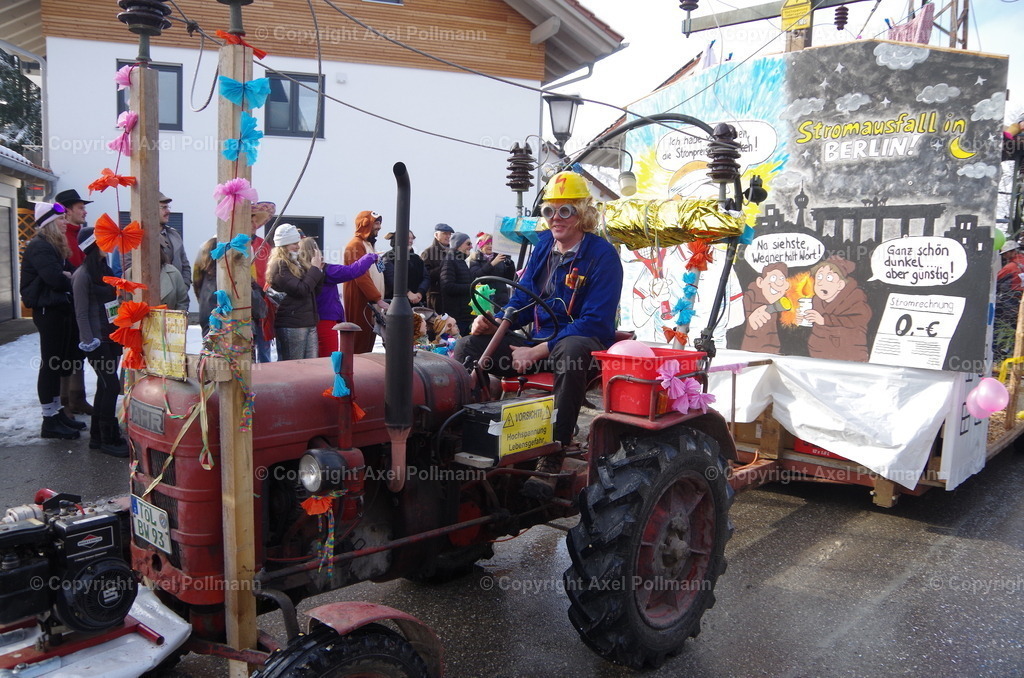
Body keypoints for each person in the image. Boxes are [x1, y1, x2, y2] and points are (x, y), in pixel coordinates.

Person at [453, 172, 623, 499]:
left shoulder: (603, 257)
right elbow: (524, 294)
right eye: (549, 211)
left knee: (571, 349)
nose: (555, 220)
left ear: (583, 213)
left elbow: (596, 322)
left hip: (582, 347)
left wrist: (538, 351)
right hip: (537, 341)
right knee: (468, 346)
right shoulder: (545, 245)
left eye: (565, 211)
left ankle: (553, 455)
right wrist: (497, 321)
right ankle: (462, 433)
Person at [19, 202, 87, 440]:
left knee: (59, 363)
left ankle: (57, 413)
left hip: (59, 308)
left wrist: (68, 277)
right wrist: (66, 278)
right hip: (48, 310)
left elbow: (71, 274)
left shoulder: (54, 246)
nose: (64, 222)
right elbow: (56, 279)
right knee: (50, 364)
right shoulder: (40, 247)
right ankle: (49, 420)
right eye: (60, 219)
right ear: (49, 223)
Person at [71, 226, 128, 457]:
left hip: (111, 335)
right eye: (105, 241)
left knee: (105, 386)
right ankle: (108, 437)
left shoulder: (104, 269)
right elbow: (81, 313)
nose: (110, 244)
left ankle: (96, 437)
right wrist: (89, 341)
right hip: (95, 340)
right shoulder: (82, 275)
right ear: (94, 245)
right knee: (112, 385)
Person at [298, 236, 378, 356]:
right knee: (329, 358)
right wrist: (371, 256)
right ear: (316, 251)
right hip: (325, 320)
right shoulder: (327, 271)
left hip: (305, 320)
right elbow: (352, 271)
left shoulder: (298, 272)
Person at [55, 188, 93, 416]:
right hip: (66, 303)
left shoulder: (82, 233)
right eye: (80, 207)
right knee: (65, 351)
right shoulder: (60, 237)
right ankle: (64, 399)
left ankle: (77, 397)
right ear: (67, 211)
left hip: (82, 300)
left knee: (78, 350)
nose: (84, 211)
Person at [267, 224, 324, 360]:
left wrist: (319, 270)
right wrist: (314, 270)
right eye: (294, 243)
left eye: (297, 242)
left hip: (307, 321)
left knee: (310, 367)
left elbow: (313, 291)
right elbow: (301, 290)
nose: (298, 246)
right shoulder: (280, 265)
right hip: (292, 325)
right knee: (295, 367)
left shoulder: (298, 262)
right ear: (284, 244)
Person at [800, 256, 872, 362]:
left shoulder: (854, 298)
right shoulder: (816, 300)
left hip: (847, 356)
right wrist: (804, 319)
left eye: (828, 278)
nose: (820, 282)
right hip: (818, 354)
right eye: (819, 277)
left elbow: (859, 319)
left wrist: (824, 320)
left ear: (840, 284)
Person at [123, 192, 191, 294]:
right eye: (163, 207)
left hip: (175, 300)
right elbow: (129, 268)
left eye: (168, 207)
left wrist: (182, 289)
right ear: (150, 210)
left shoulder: (175, 235)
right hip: (147, 298)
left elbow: (185, 266)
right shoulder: (132, 237)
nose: (168, 211)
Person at [342, 211, 388, 354]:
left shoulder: (368, 244)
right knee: (359, 341)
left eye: (380, 223)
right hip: (361, 300)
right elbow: (361, 275)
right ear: (365, 224)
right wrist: (377, 298)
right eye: (376, 223)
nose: (379, 227)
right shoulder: (355, 245)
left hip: (371, 302)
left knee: (368, 340)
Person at [741, 262, 790, 354]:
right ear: (760, 282)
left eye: (782, 278)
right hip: (751, 349)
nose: (779, 283)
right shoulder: (750, 297)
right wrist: (750, 319)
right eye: (773, 278)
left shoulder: (781, 302)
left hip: (774, 349)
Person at [251, 202, 276, 362]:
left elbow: (271, 272)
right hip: (242, 304)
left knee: (264, 346)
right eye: (250, 219)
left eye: (255, 219)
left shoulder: (263, 244)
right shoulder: (231, 243)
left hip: (263, 302)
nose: (254, 223)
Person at [468, 232, 516, 311]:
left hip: (501, 300)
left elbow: (511, 278)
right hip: (484, 300)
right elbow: (476, 275)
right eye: (487, 243)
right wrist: (492, 263)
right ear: (481, 245)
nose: (490, 246)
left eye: (492, 244)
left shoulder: (499, 258)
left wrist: (509, 264)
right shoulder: (475, 259)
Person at [441, 232, 475, 335]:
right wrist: (471, 287)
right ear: (458, 245)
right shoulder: (450, 260)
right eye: (468, 244)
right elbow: (448, 286)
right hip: (458, 316)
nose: (471, 247)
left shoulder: (460, 261)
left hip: (465, 315)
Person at [381, 231, 429, 306]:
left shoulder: (417, 259)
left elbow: (426, 277)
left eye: (412, 238)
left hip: (417, 303)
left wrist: (420, 292)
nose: (410, 241)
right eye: (407, 238)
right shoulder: (388, 258)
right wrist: (408, 293)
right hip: (395, 304)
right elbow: (391, 279)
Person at [420, 223, 454, 312]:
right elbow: (425, 275)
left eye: (449, 234)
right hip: (436, 295)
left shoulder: (453, 252)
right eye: (444, 233)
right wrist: (444, 267)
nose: (448, 236)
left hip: (451, 295)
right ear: (436, 235)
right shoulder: (428, 252)